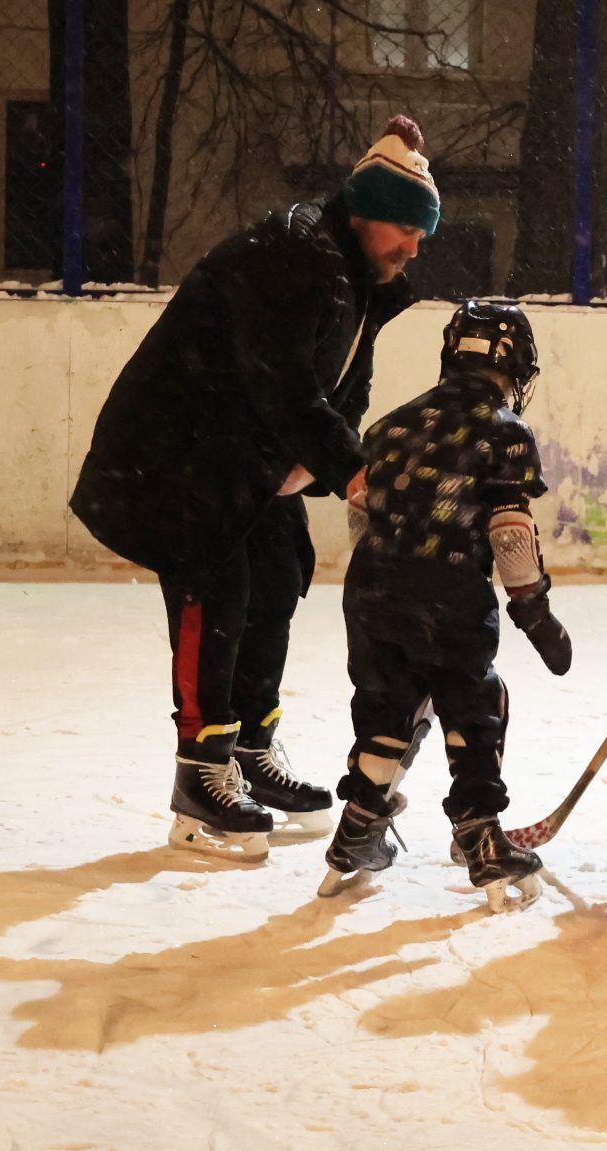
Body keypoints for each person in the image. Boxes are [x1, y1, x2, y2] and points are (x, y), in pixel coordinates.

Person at [71, 114, 441, 862]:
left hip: (241, 454)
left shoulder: (359, 275)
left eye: (420, 235)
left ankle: (248, 750)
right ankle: (200, 769)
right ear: (365, 214)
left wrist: (328, 457)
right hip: (173, 452)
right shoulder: (296, 254)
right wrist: (353, 471)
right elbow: (282, 383)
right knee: (218, 581)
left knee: (278, 573)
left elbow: (345, 390)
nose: (412, 248)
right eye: (404, 229)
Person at [317, 300, 572, 912]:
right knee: (475, 703)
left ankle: (356, 833)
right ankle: (481, 835)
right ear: (516, 363)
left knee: (388, 705)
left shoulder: (393, 424)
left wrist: (390, 575)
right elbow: (509, 530)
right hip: (450, 587)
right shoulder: (504, 430)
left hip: (371, 586)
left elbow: (360, 509)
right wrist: (533, 611)